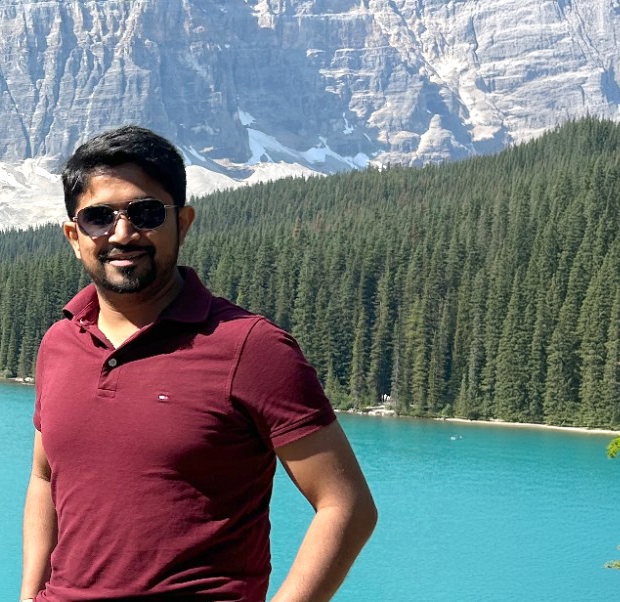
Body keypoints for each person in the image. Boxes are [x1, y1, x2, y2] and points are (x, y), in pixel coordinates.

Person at [21, 125, 376, 602]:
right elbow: (45, 477)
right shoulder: (60, 342)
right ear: (73, 234)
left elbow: (346, 505)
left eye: (145, 212)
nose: (122, 233)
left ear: (183, 223)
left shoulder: (250, 347)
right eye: (99, 217)